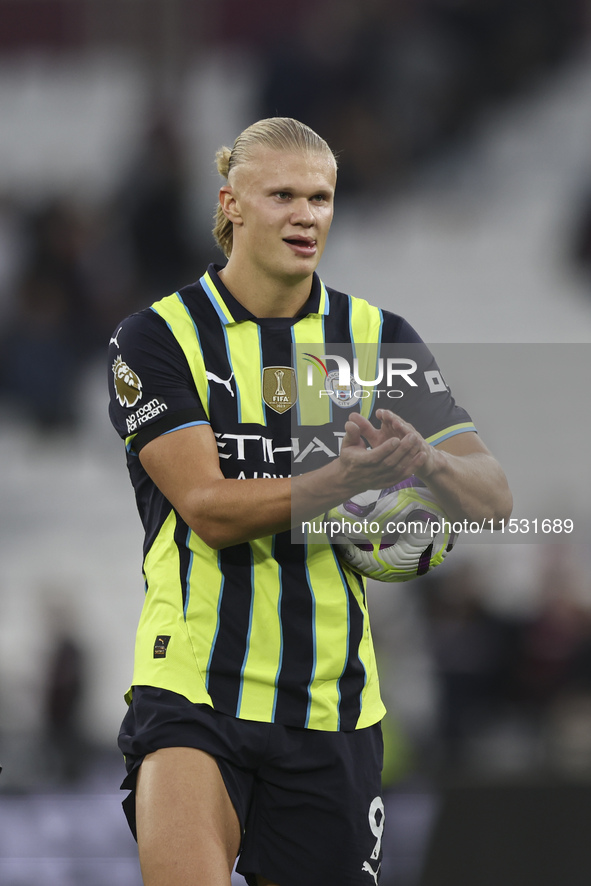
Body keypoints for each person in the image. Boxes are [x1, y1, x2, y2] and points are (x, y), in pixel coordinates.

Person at [108, 117, 512, 886]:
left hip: (334, 706)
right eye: (283, 195)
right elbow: (206, 504)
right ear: (230, 204)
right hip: (196, 689)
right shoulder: (158, 338)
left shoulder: (376, 339)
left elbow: (491, 498)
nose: (306, 215)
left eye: (321, 198)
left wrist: (423, 458)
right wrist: (344, 482)